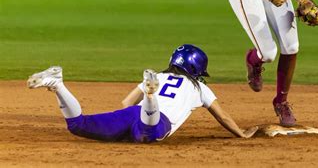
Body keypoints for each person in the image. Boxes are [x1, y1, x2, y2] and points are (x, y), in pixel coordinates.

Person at [27, 44, 258, 143]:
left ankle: (57, 84)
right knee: (147, 134)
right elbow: (223, 117)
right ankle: (150, 97)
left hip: (132, 113)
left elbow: (126, 102)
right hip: (157, 121)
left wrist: (120, 126)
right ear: (196, 69)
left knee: (78, 125)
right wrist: (241, 134)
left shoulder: (161, 74)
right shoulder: (199, 88)